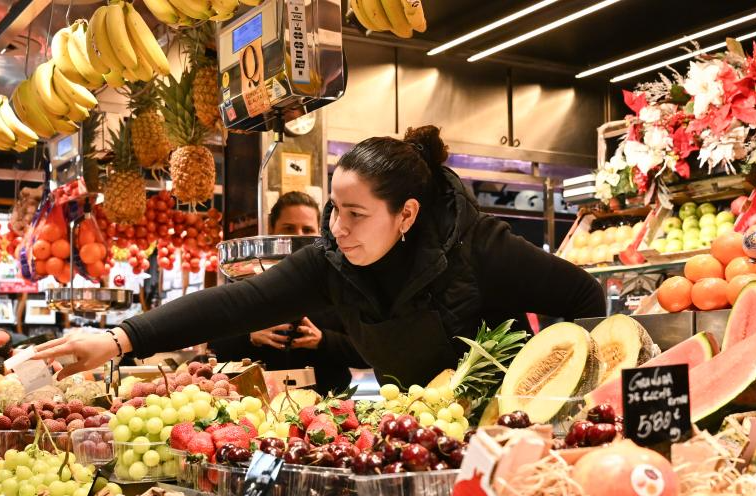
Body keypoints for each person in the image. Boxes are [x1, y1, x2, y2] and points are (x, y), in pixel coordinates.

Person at [35, 126, 605, 388]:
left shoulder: (480, 247)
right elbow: (237, 304)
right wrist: (119, 339)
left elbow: (585, 295)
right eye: (334, 208)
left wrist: (564, 389)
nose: (337, 228)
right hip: (423, 437)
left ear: (406, 215)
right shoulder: (332, 261)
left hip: (508, 436)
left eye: (356, 214)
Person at [208, 191, 365, 393]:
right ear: (272, 230)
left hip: (329, 405)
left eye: (306, 229)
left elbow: (367, 354)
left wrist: (323, 340)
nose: (297, 236)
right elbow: (215, 347)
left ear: (319, 232)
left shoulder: (339, 284)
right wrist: (250, 336)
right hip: (255, 404)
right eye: (289, 228)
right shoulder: (248, 282)